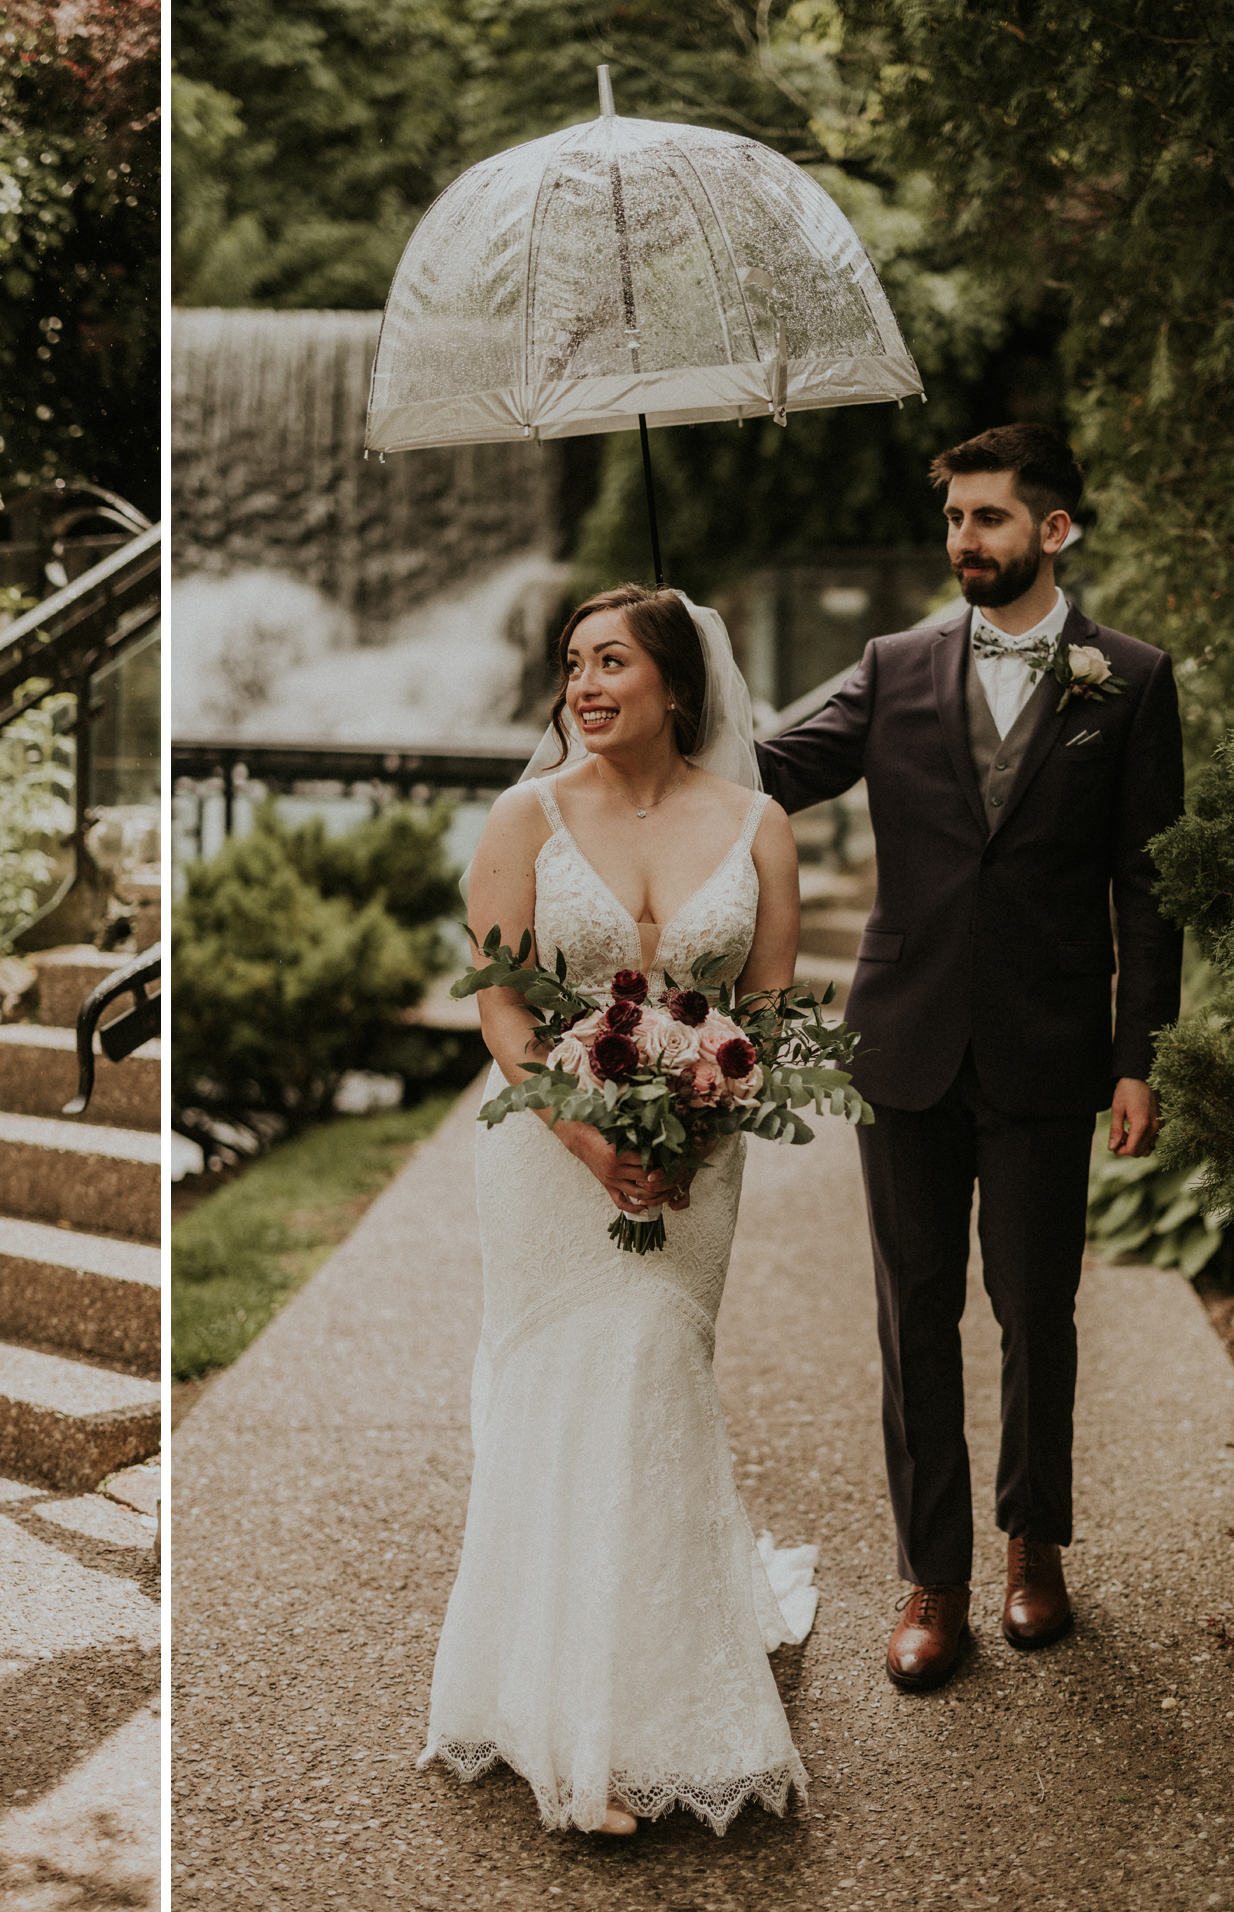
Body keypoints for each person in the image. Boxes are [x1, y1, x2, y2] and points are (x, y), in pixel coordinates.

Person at [754, 422, 1182, 1692]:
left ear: (1054, 530)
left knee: (1036, 1313)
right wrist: (685, 681)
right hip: (906, 1043)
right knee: (912, 1318)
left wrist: (1137, 1055)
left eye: (987, 519)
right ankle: (931, 1580)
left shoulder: (1132, 679)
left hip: (1051, 1050)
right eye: (952, 521)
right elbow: (770, 770)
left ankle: (1031, 1551)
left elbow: (1148, 888)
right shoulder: (891, 666)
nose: (963, 542)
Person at [425, 584, 820, 1838]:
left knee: (655, 1371)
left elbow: (761, 1016)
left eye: (611, 663)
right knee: (568, 1388)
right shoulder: (522, 816)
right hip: (551, 1151)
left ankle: (650, 1692)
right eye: (571, 665)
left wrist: (703, 1112)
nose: (583, 686)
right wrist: (590, 1137)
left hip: (698, 1160)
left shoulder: (759, 826)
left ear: (676, 685)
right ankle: (580, 1730)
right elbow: (499, 1003)